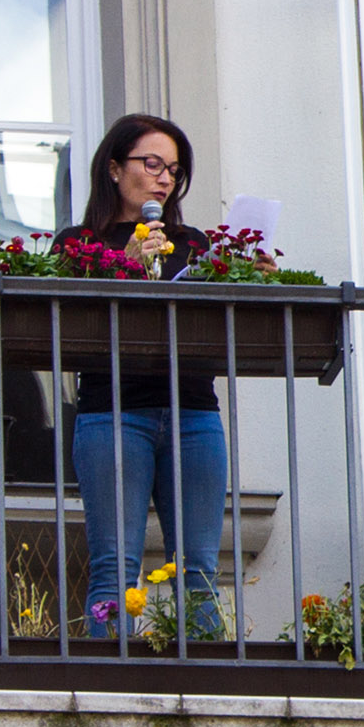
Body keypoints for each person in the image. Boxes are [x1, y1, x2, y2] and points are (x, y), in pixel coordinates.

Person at [61, 114, 248, 640]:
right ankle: (116, 685)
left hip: (193, 412)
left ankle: (204, 689)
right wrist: (122, 264)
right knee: (115, 568)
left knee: (199, 571)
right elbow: (67, 323)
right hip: (113, 411)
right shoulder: (78, 245)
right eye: (152, 164)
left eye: (174, 170)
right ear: (116, 169)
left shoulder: (192, 244)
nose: (165, 178)